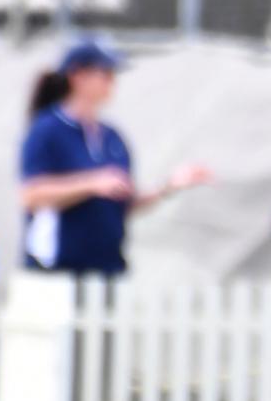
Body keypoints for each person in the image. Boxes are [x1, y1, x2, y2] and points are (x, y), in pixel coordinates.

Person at [19, 39, 211, 275]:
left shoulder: (113, 138)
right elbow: (31, 195)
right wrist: (91, 183)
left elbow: (122, 204)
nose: (112, 82)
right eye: (106, 73)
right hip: (57, 272)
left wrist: (169, 186)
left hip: (107, 270)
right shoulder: (47, 129)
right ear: (78, 76)